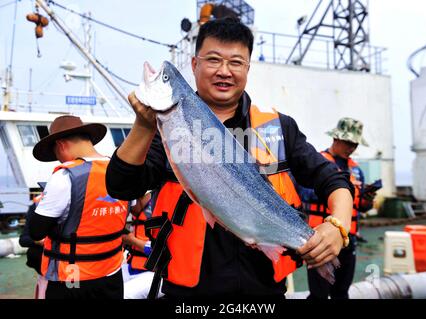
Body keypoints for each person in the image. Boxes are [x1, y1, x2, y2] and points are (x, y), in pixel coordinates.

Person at [106, 17, 354, 299]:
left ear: (248, 68)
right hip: (187, 296)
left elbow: (332, 178)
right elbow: (120, 186)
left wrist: (339, 225)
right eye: (213, 60)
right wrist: (144, 126)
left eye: (236, 62)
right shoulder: (168, 131)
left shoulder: (279, 127)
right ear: (194, 64)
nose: (224, 71)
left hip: (264, 295)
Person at [28, 115, 129, 299]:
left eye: (55, 154)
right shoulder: (120, 170)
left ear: (61, 145)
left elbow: (36, 231)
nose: (59, 161)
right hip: (112, 272)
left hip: (73, 277)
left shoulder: (66, 176)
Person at [300, 117, 378, 299]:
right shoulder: (316, 163)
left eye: (355, 144)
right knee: (318, 294)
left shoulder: (356, 169)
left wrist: (367, 199)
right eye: (348, 142)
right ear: (336, 138)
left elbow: (361, 207)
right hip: (321, 239)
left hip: (348, 240)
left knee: (342, 292)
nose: (351, 148)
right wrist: (335, 190)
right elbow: (304, 194)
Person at [121, 192, 162, 299]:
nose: (129, 207)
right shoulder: (138, 212)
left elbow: (162, 250)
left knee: (124, 295)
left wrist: (131, 240)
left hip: (154, 274)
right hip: (132, 268)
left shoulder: (159, 210)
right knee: (103, 284)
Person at [19, 192, 47, 299]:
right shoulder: (36, 207)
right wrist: (38, 241)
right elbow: (23, 240)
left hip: (72, 270)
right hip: (46, 273)